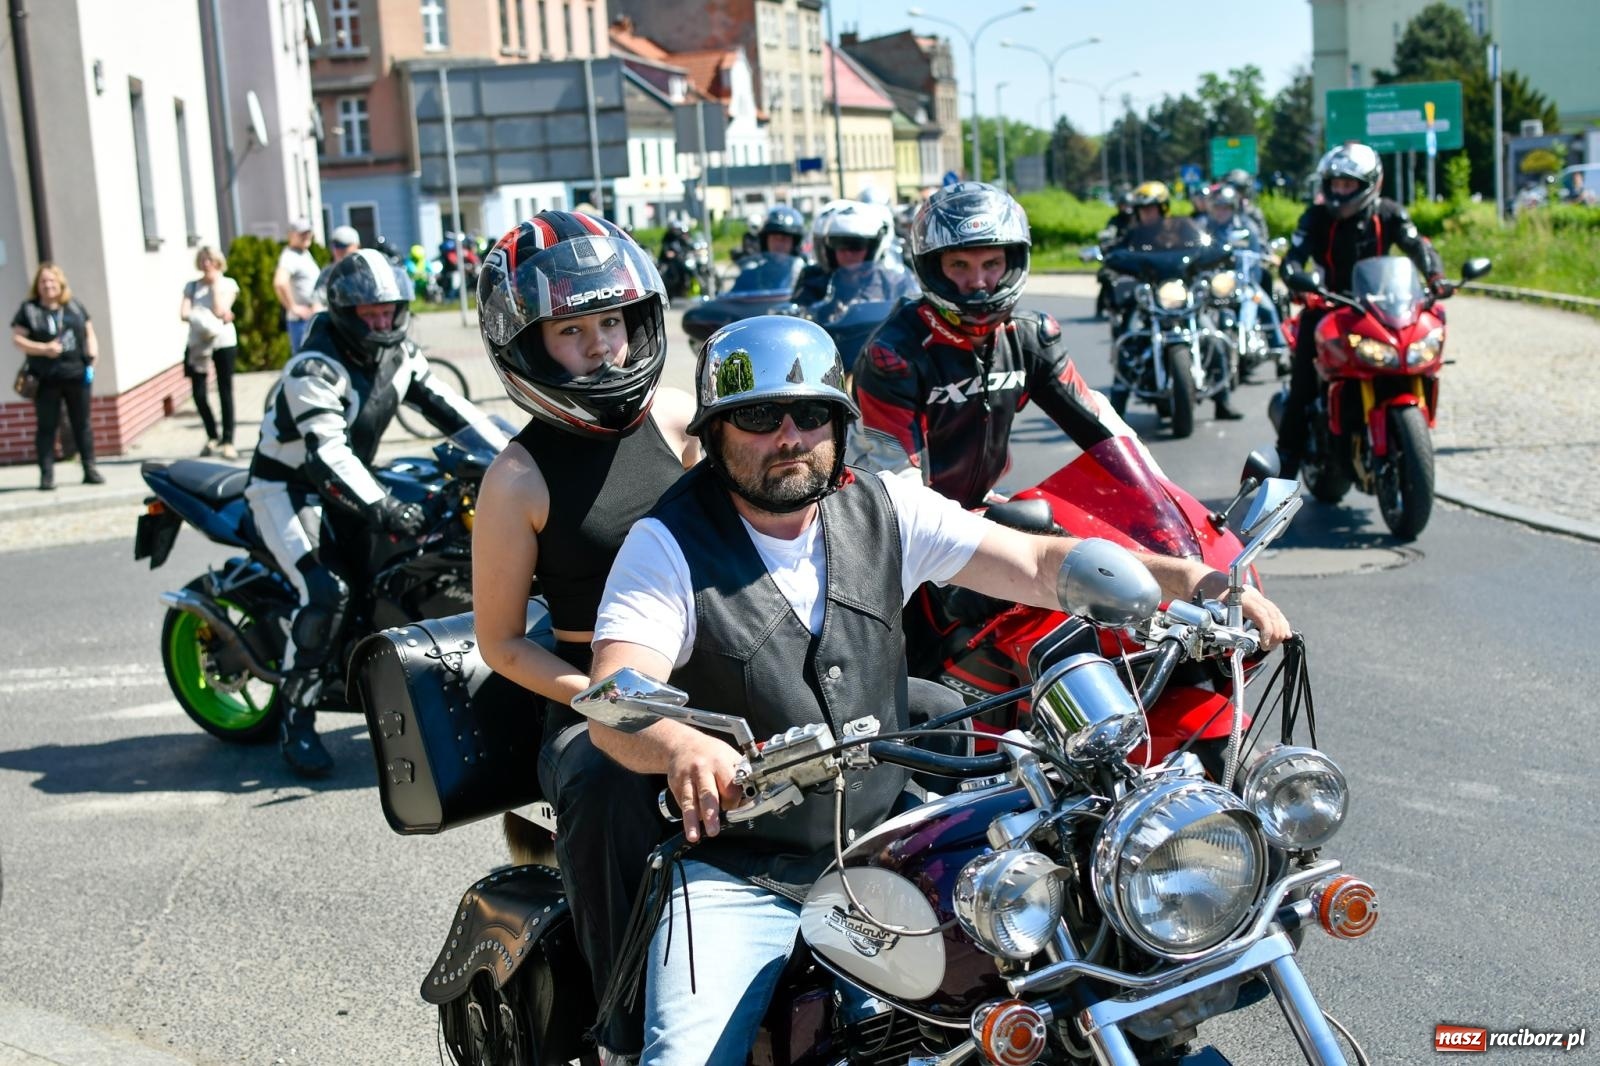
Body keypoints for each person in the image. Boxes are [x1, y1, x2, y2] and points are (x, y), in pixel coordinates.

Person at [581, 314, 1292, 1066]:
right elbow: (617, 693)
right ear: (718, 431)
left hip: (888, 844)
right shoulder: (666, 545)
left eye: (811, 413)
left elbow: (1038, 563)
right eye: (759, 416)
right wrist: (680, 741)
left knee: (1053, 974)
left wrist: (1195, 584)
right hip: (746, 866)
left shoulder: (884, 505)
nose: (789, 436)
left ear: (839, 423)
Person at [470, 210, 700, 1061]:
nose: (603, 346)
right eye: (573, 330)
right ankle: (624, 1025)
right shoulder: (517, 478)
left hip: (708, 674)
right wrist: (607, 702)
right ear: (528, 345)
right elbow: (501, 644)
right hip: (588, 702)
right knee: (607, 788)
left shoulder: (679, 423)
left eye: (612, 321)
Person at [245, 248, 491, 778]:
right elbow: (327, 452)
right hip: (288, 489)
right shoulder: (313, 367)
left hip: (348, 479)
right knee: (327, 592)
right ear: (344, 313)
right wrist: (384, 505)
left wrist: (515, 458)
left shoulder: (399, 353)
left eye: (388, 311)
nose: (381, 322)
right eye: (368, 314)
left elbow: (454, 411)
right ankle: (297, 719)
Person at [847, 181, 1138, 509]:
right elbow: (895, 485)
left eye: (992, 264)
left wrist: (1172, 505)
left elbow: (1109, 434)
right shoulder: (894, 355)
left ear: (1011, 263)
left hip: (977, 507)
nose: (978, 282)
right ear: (933, 268)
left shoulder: (1031, 338)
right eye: (959, 265)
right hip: (892, 522)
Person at [1275, 142, 1443, 476]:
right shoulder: (1315, 217)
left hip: (1382, 307)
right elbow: (1293, 259)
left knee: (1416, 355)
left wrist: (1436, 277)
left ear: (1369, 185)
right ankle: (1284, 469)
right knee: (1304, 384)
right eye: (1335, 184)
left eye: (1348, 185)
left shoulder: (1390, 214)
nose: (1340, 192)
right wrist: (1297, 279)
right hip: (1328, 305)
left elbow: (1418, 247)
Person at [11, 262, 101, 490]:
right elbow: (18, 339)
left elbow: (89, 331)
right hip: (46, 378)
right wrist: (44, 349)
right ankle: (47, 475)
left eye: (51, 280)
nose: (48, 285)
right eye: (43, 281)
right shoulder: (29, 309)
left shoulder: (73, 306)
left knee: (82, 423)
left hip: (76, 374)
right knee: (47, 426)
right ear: (37, 286)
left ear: (60, 283)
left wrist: (93, 353)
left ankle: (90, 468)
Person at [178, 246, 241, 459]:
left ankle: (228, 440)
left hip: (223, 342)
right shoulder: (192, 286)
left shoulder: (228, 284)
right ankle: (212, 435)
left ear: (217, 262)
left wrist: (214, 286)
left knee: (225, 390)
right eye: (203, 260)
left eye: (210, 260)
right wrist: (204, 315)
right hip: (199, 344)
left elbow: (220, 310)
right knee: (199, 393)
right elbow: (184, 313)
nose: (206, 264)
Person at [790, 199, 891, 306]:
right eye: (840, 245)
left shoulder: (887, 281)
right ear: (830, 250)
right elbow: (800, 312)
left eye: (856, 246)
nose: (848, 253)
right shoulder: (813, 280)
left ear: (871, 248)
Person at [273, 218, 320, 354]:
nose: (306, 236)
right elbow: (280, 282)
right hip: (301, 321)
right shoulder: (290, 256)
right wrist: (293, 307)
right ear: (291, 235)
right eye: (301, 233)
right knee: (305, 361)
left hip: (310, 318)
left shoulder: (303, 253)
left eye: (308, 232)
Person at [1223, 168, 1270, 240]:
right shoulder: (1217, 209)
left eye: (1239, 189)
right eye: (1231, 187)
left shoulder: (1252, 212)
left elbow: (1262, 238)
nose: (1235, 192)